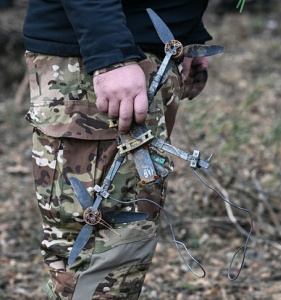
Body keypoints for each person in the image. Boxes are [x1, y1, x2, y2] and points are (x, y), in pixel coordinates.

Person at [23, 1, 213, 299]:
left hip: (145, 57)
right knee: (100, 259)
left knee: (120, 257)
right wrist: (110, 55)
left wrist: (188, 34)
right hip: (103, 61)